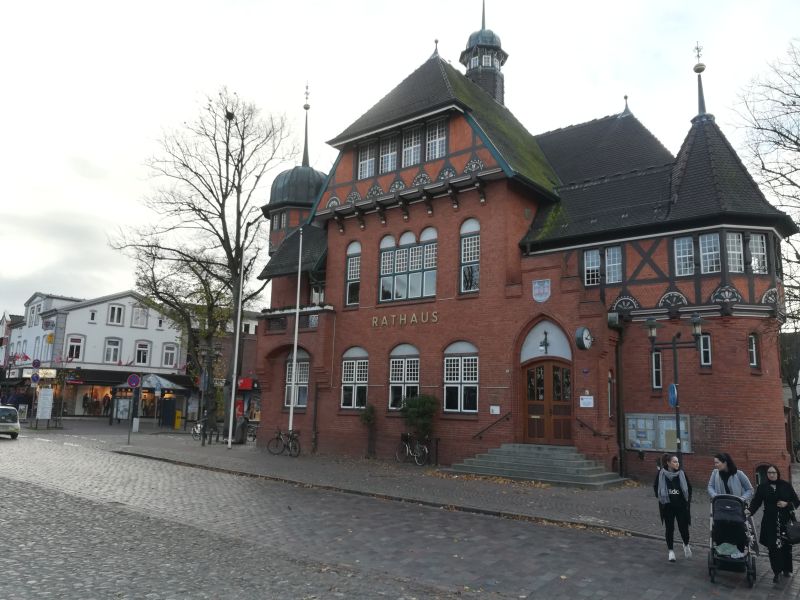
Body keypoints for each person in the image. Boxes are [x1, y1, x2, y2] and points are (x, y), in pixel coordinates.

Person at [747, 465, 800, 583]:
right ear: (767, 474)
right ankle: (776, 572)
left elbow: (796, 501)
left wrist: (787, 504)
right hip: (769, 521)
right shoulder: (762, 487)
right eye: (769, 472)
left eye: (774, 472)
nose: (771, 474)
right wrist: (749, 511)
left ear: (778, 473)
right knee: (773, 548)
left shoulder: (786, 485)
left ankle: (786, 569)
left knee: (786, 546)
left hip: (785, 521)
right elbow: (756, 502)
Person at [708, 452, 754, 558]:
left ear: (725, 462)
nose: (715, 465)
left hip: (736, 507)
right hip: (721, 506)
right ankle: (723, 549)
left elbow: (749, 489)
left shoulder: (739, 474)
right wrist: (715, 496)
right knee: (720, 526)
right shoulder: (715, 473)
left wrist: (742, 499)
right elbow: (710, 486)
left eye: (717, 462)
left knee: (738, 527)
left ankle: (739, 550)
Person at [654, 453, 692, 562]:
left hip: (681, 506)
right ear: (668, 463)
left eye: (678, 461)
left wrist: (686, 502)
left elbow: (689, 488)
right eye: (675, 462)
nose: (677, 464)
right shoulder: (661, 474)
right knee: (669, 529)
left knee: (683, 528)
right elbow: (656, 487)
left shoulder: (682, 473)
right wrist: (662, 498)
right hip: (668, 507)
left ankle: (686, 544)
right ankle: (671, 551)